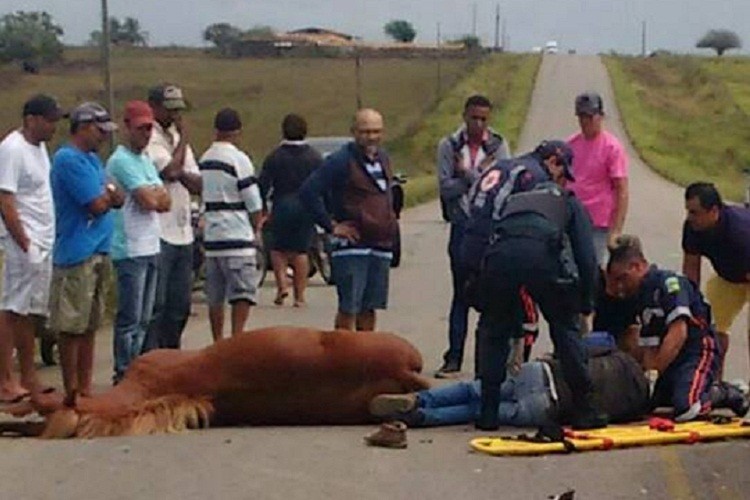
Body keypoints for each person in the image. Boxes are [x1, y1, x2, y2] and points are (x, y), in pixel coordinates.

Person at [465, 140, 605, 431]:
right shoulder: (567, 201)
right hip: (543, 257)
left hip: (500, 256)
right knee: (564, 328)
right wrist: (585, 302)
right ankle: (585, 409)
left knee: (494, 329)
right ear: (555, 169)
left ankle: (488, 412)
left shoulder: (515, 201)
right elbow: (586, 256)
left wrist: (478, 284)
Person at [370, 347, 650, 428]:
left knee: (475, 390)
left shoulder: (619, 356)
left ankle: (420, 399)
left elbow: (576, 346)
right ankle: (420, 418)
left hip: (540, 374)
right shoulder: (633, 405)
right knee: (475, 409)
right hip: (547, 408)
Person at [607, 235, 726, 421]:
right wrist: (646, 381)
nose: (621, 287)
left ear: (637, 267)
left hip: (696, 348)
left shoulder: (669, 284)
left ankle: (723, 393)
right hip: (670, 355)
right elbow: (650, 347)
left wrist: (655, 373)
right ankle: (680, 387)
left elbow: (679, 333)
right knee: (639, 405)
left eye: (623, 278)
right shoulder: (641, 296)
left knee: (687, 409)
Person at [50, 102, 123, 399]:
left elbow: (117, 195)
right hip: (76, 251)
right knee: (72, 326)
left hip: (99, 248)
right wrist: (107, 195)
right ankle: (71, 388)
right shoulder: (69, 160)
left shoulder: (93, 161)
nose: (103, 137)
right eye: (99, 131)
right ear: (83, 128)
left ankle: (85, 385)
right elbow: (96, 202)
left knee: (91, 323)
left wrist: (108, 194)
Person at [435, 94, 512, 376]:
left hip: (489, 229)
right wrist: (476, 177)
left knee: (493, 295)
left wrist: (468, 175)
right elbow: (445, 187)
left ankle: (492, 359)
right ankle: (453, 356)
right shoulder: (449, 146)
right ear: (465, 117)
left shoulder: (498, 145)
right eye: (473, 118)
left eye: (483, 119)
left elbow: (503, 184)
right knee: (461, 295)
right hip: (462, 225)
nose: (478, 124)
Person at [300, 108, 396, 332]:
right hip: (352, 245)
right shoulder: (340, 160)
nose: (371, 137)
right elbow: (308, 191)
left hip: (379, 243)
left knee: (369, 307)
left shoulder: (383, 158)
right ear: (354, 132)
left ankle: (365, 359)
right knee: (349, 307)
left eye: (376, 131)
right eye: (365, 131)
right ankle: (341, 360)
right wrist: (332, 226)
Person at [0, 95, 62, 403]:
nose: (53, 127)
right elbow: (7, 200)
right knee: (12, 309)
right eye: (49, 120)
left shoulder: (40, 149)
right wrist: (22, 241)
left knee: (30, 313)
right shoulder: (12, 149)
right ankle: (5, 380)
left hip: (43, 241)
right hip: (23, 242)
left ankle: (28, 375)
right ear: (31, 119)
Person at [106, 101, 171, 384]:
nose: (146, 133)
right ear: (128, 127)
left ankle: (134, 368)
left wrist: (155, 195)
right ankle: (123, 371)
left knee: (145, 318)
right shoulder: (121, 161)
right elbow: (148, 200)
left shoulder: (144, 160)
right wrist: (154, 194)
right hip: (129, 246)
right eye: (141, 128)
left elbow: (164, 200)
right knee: (130, 318)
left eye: (149, 128)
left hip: (150, 243)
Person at [143, 84, 202, 350]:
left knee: (180, 305)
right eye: (170, 110)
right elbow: (170, 171)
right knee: (158, 304)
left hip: (182, 230)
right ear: (154, 108)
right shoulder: (151, 138)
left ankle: (171, 352)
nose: (176, 115)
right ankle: (151, 355)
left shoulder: (175, 139)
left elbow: (196, 182)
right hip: (159, 232)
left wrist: (180, 170)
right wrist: (184, 139)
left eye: (179, 110)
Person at [199, 108, 263, 341]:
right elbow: (252, 200)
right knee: (242, 292)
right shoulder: (239, 159)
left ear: (216, 131)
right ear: (238, 132)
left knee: (215, 296)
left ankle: (218, 340)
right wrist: (257, 226)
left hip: (213, 236)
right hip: (237, 234)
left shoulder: (205, 159)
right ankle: (237, 338)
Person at [681, 182, 750, 375]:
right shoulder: (692, 228)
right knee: (711, 328)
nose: (689, 217)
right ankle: (715, 382)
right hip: (729, 276)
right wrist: (690, 307)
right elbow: (691, 270)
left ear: (714, 211)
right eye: (688, 211)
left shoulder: (739, 234)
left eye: (695, 212)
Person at [258, 114, 323, 307]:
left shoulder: (274, 156)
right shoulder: (314, 156)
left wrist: (262, 208)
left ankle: (282, 287)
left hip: (281, 204)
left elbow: (263, 185)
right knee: (301, 251)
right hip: (305, 206)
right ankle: (300, 295)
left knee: (278, 250)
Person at [567, 92, 629, 266]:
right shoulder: (571, 145)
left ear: (600, 116)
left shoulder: (612, 148)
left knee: (591, 268)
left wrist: (616, 230)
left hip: (598, 223)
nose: (585, 121)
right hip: (572, 220)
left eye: (589, 116)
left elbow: (621, 190)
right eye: (581, 116)